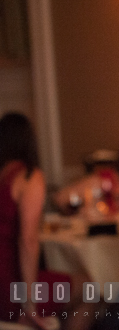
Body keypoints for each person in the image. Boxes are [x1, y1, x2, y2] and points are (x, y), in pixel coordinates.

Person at [0, 114, 67, 329]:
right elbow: (27, 241)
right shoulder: (28, 176)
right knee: (90, 287)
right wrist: (29, 304)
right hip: (11, 283)